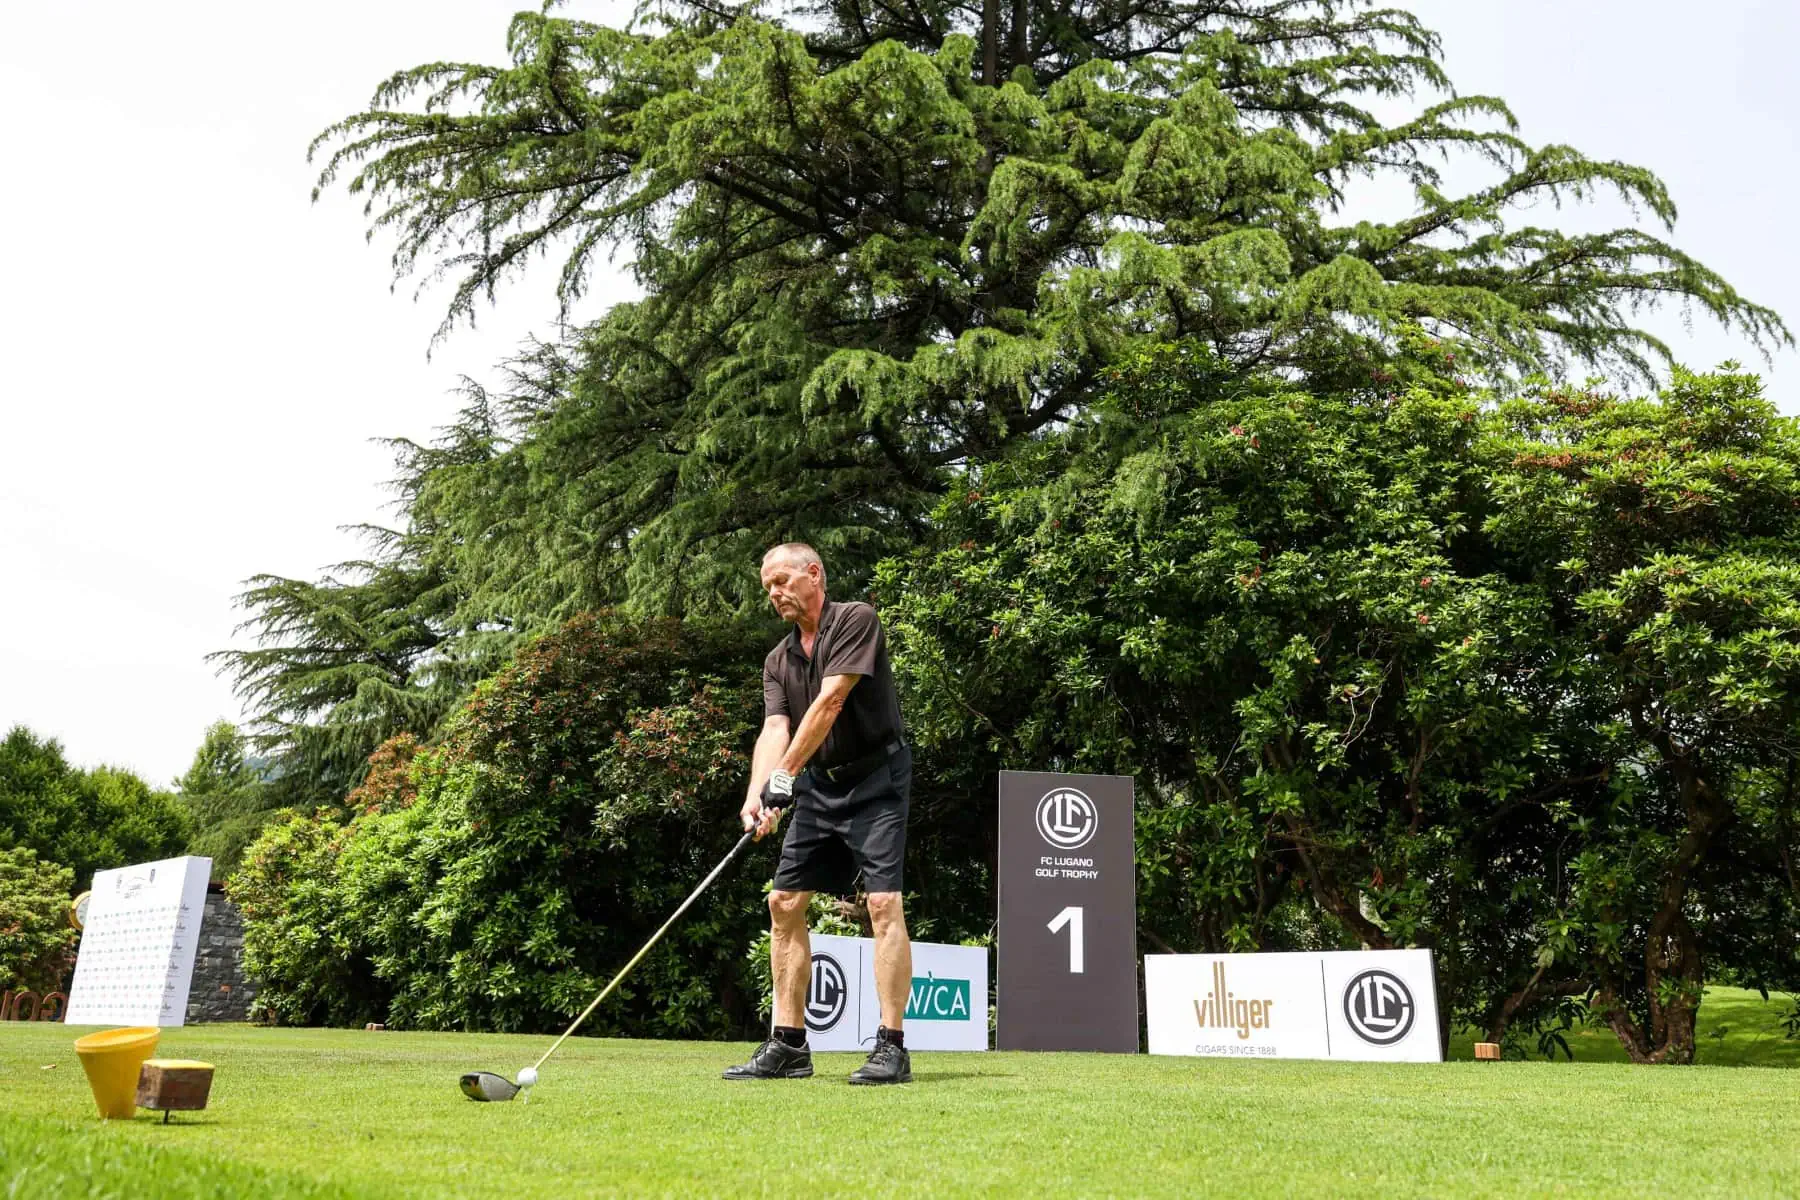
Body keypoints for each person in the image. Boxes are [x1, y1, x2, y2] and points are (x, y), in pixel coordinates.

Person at [723, 543, 914, 1085]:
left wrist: (784, 777)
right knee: (783, 901)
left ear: (814, 574)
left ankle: (891, 1046)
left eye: (782, 580)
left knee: (882, 902)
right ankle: (788, 1045)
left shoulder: (855, 620)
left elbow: (831, 702)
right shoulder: (778, 661)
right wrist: (758, 794)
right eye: (768, 588)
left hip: (877, 781)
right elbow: (775, 729)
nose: (775, 594)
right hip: (820, 786)